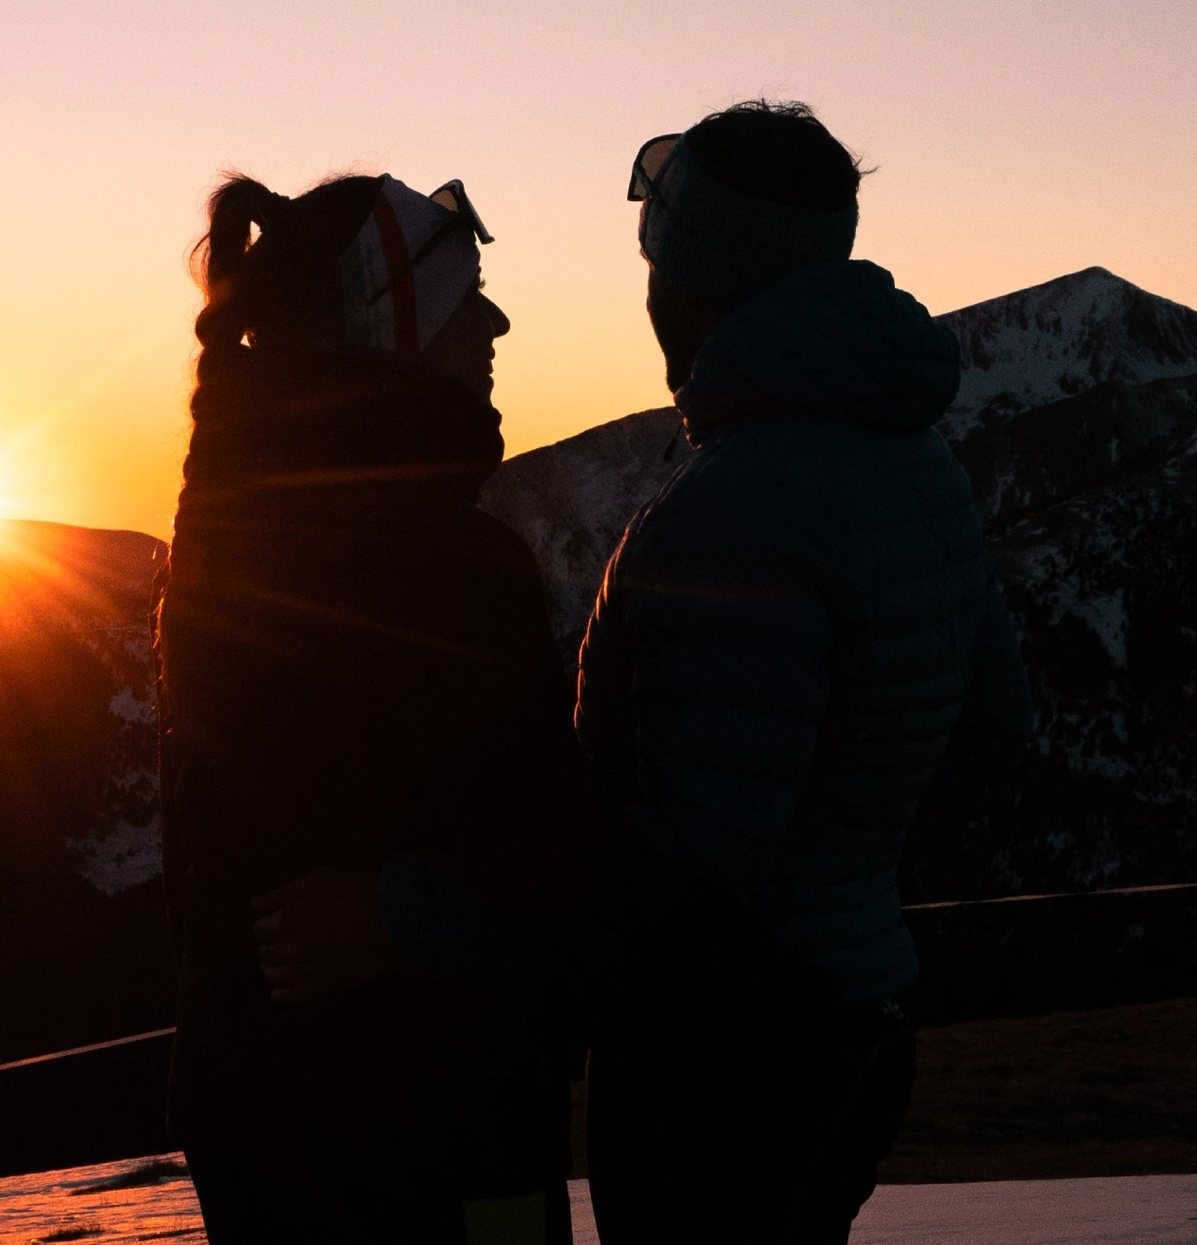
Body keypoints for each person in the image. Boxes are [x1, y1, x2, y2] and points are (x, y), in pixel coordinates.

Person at [572, 101, 1036, 1244]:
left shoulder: (732, 512)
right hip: (861, 1012)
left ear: (689, 277)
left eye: (653, 256)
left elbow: (698, 858)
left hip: (725, 1063)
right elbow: (992, 732)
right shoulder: (910, 457)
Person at [156, 172, 582, 1244]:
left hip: (268, 1134)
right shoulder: (456, 571)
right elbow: (547, 861)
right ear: (385, 337)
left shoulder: (228, 549)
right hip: (453, 1132)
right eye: (461, 299)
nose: (493, 323)